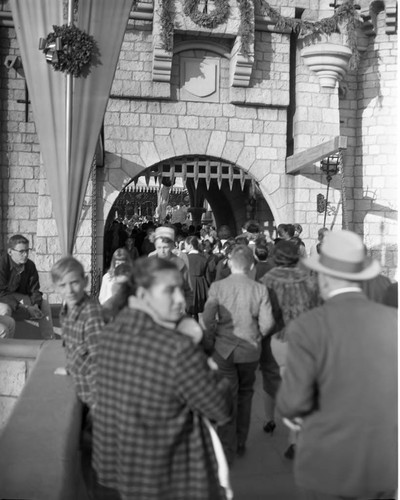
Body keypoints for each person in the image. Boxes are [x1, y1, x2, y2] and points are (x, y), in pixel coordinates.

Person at [92, 257, 233, 500]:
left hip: (123, 470)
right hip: (171, 475)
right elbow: (221, 408)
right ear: (144, 296)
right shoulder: (177, 348)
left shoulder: (109, 334)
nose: (180, 299)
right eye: (170, 291)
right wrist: (210, 369)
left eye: (181, 289)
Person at [276, 230, 397, 500]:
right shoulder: (394, 322)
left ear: (325, 276)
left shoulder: (307, 327)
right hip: (383, 463)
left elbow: (293, 402)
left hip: (327, 465)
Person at [202, 245, 274, 464]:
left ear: (230, 264)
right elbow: (268, 323)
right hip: (250, 350)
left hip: (224, 349)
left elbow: (207, 318)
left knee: (226, 396)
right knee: (245, 395)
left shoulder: (217, 287)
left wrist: (213, 337)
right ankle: (241, 441)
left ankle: (227, 443)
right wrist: (257, 335)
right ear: (251, 266)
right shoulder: (259, 288)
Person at [259, 239, 320, 458]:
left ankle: (269, 419)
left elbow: (262, 311)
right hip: (303, 339)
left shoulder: (267, 280)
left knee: (270, 378)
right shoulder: (309, 280)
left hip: (276, 337)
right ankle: (295, 438)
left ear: (276, 257)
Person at [51, 256, 105, 409]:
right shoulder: (67, 311)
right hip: (82, 393)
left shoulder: (92, 315)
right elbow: (75, 350)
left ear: (85, 281)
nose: (69, 291)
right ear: (55, 287)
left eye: (74, 283)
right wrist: (70, 368)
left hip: (96, 401)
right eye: (63, 285)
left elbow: (101, 362)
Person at [0, 234, 53, 339]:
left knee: (44, 304)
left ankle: (50, 342)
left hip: (20, 300)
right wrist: (24, 307)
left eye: (27, 251)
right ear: (10, 252)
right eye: (21, 252)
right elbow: (1, 292)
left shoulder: (30, 265)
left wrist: (36, 306)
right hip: (3, 300)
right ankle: (6, 346)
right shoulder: (2, 264)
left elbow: (35, 290)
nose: (25, 255)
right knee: (5, 309)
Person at [149, 225, 193, 311]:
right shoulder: (150, 261)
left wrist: (185, 307)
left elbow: (188, 289)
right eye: (159, 247)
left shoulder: (180, 262)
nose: (162, 251)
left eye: (165, 247)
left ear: (171, 246)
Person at [184, 235, 209, 320]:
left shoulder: (185, 258)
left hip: (189, 284)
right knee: (199, 309)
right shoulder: (203, 257)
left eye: (185, 245)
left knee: (189, 310)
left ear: (190, 245)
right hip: (201, 284)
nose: (184, 247)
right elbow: (208, 274)